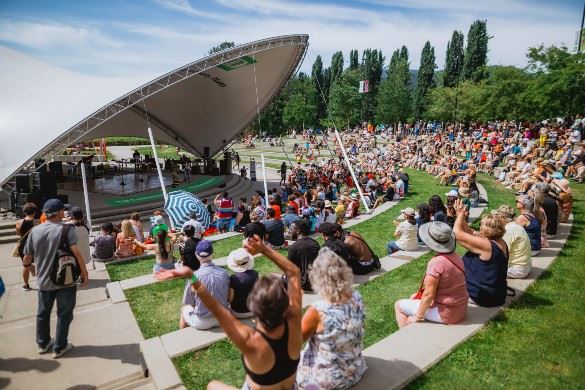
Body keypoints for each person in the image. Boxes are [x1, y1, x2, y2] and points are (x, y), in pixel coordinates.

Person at [199, 235, 302, 390]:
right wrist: (264, 249)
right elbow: (293, 272)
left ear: (254, 307)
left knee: (212, 385)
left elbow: (217, 309)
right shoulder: (294, 321)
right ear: (284, 304)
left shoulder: (250, 341)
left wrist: (193, 279)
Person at [22, 198, 89, 358]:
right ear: (59, 212)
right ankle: (60, 346)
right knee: (64, 315)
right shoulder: (67, 230)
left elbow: (27, 258)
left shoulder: (35, 231)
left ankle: (43, 343)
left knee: (43, 313)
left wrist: (28, 267)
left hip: (44, 281)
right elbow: (77, 253)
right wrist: (84, 274)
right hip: (66, 280)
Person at [297, 247, 367, 389]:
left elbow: (294, 343)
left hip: (329, 379)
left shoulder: (318, 310)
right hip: (355, 369)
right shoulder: (356, 297)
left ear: (316, 277)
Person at [395, 221, 468, 327]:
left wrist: (418, 316)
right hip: (460, 308)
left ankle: (407, 337)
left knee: (398, 305)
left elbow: (428, 295)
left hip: (448, 313)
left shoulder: (436, 263)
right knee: (413, 297)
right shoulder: (456, 256)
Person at [454, 199, 509, 307]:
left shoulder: (487, 246)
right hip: (495, 295)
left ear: (486, 231)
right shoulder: (499, 241)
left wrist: (460, 215)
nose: (479, 227)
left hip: (482, 296)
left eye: (481, 225)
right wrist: (460, 216)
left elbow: (457, 233)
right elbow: (471, 232)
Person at [180, 240, 230, 330]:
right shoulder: (224, 273)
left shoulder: (193, 277)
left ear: (196, 254)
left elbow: (188, 302)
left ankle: (181, 336)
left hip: (201, 322)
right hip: (223, 319)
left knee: (184, 308)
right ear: (212, 254)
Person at [492, 205, 532, 279]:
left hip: (517, 270)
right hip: (525, 266)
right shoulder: (516, 226)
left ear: (503, 218)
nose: (496, 219)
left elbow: (501, 252)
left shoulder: (508, 230)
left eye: (498, 217)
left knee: (484, 268)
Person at [287, 219, 320, 291]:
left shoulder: (293, 247)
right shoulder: (315, 243)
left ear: (298, 231)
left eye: (290, 229)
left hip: (301, 284)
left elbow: (288, 268)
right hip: (316, 282)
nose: (288, 231)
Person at [227, 248, 259, 319]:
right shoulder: (255, 274)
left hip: (238, 312)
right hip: (254, 310)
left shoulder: (233, 278)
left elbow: (230, 299)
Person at [15, 202, 39, 290]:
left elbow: (18, 233)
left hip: (23, 245)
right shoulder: (37, 221)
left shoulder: (19, 222)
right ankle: (40, 281)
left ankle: (26, 284)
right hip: (35, 245)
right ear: (34, 212)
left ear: (25, 212)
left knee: (25, 265)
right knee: (39, 263)